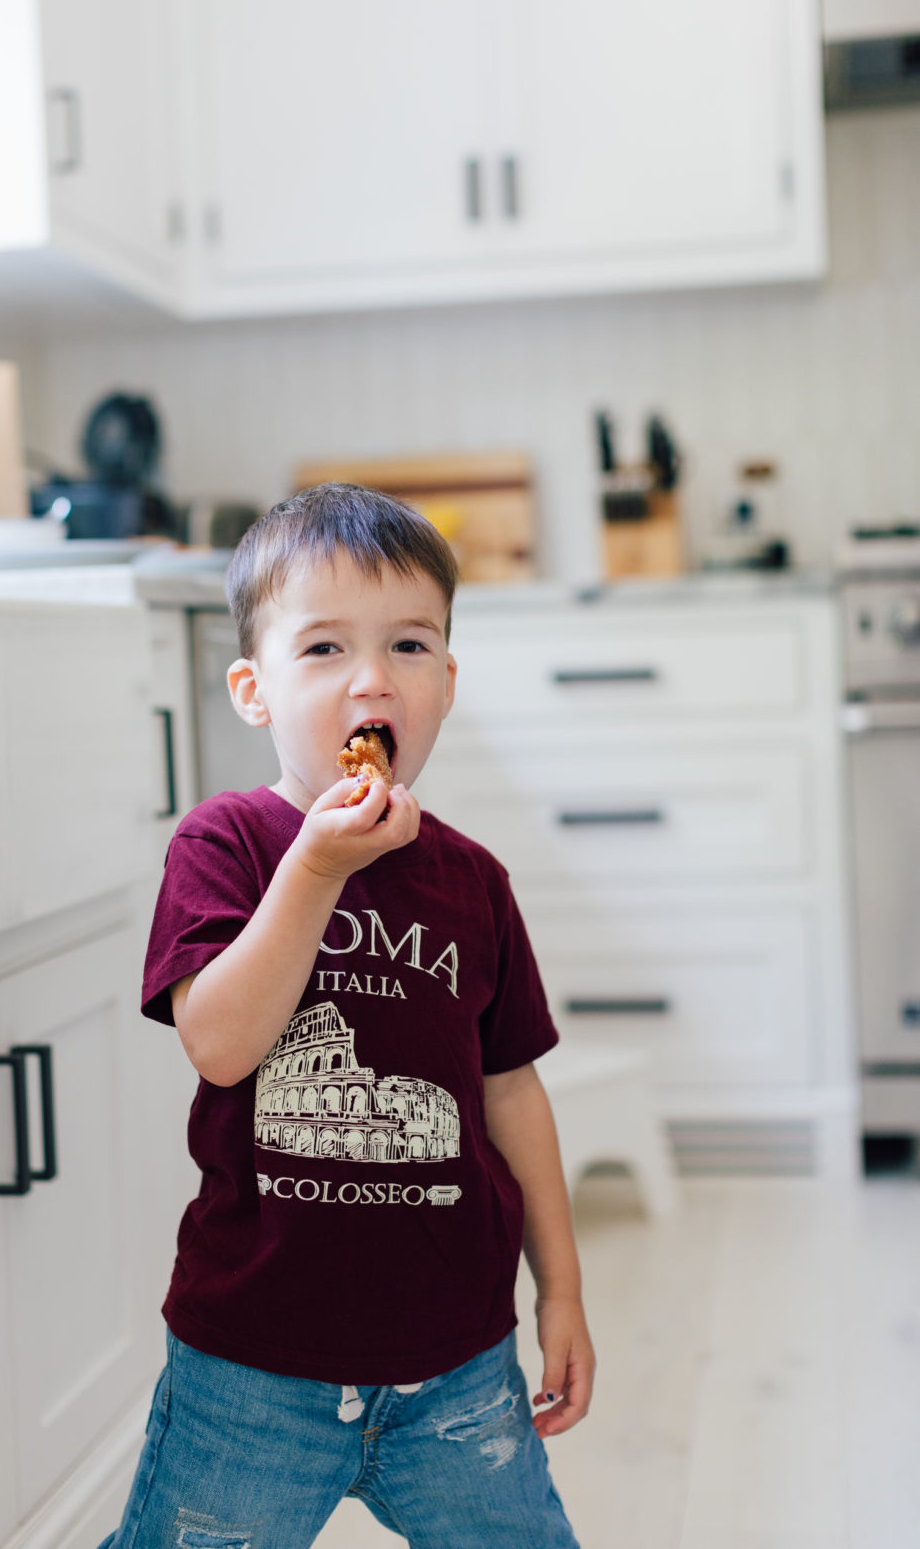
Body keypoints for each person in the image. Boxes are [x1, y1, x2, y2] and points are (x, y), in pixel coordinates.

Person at [99, 483, 595, 1549]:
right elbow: (221, 1045)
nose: (372, 678)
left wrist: (559, 1290)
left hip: (456, 1370)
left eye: (409, 646)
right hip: (251, 1371)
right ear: (254, 689)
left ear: (448, 684)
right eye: (323, 648)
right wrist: (314, 867)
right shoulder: (223, 846)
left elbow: (510, 1090)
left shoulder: (473, 882)